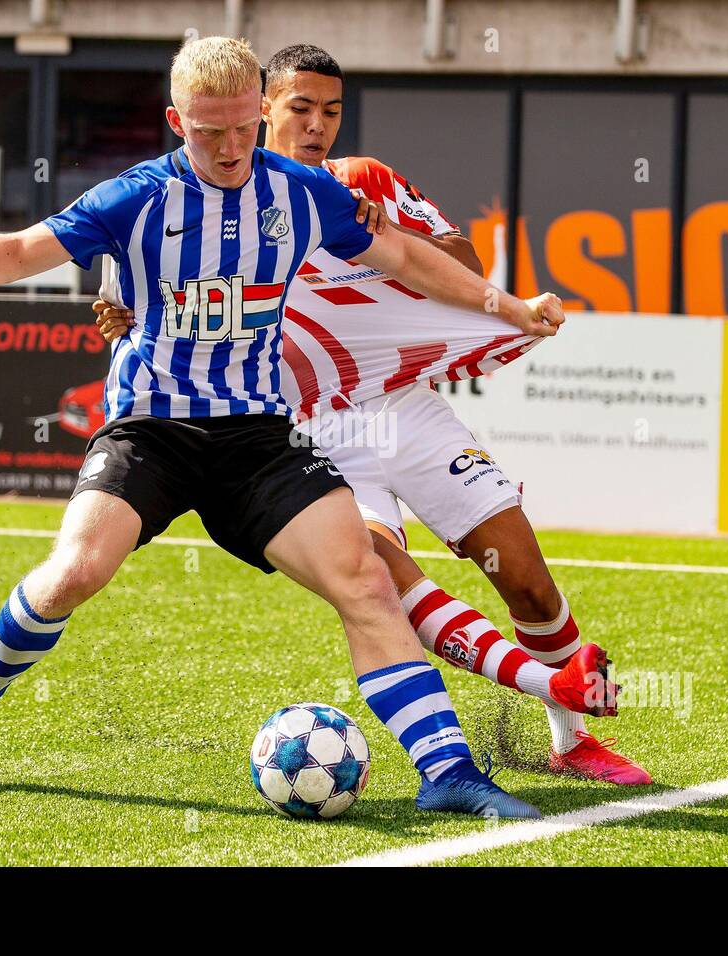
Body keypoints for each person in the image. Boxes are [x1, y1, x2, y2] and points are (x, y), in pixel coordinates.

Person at [0, 36, 607, 820]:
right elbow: (18, 253)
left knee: (364, 582)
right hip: (151, 431)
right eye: (208, 132)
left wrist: (512, 308)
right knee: (74, 574)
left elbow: (412, 260)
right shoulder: (133, 197)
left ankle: (452, 774)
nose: (230, 150)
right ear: (175, 121)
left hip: (261, 438)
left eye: (241, 131)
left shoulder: (303, 192)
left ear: (256, 117)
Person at [94, 44, 650, 784]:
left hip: (402, 407)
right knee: (388, 581)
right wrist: (119, 317)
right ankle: (543, 695)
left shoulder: (359, 181)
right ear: (260, 111)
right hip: (305, 432)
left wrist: (386, 226)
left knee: (525, 577)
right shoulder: (180, 205)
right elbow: (131, 309)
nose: (318, 125)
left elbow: (461, 258)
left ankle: (570, 740)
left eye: (331, 110)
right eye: (300, 108)